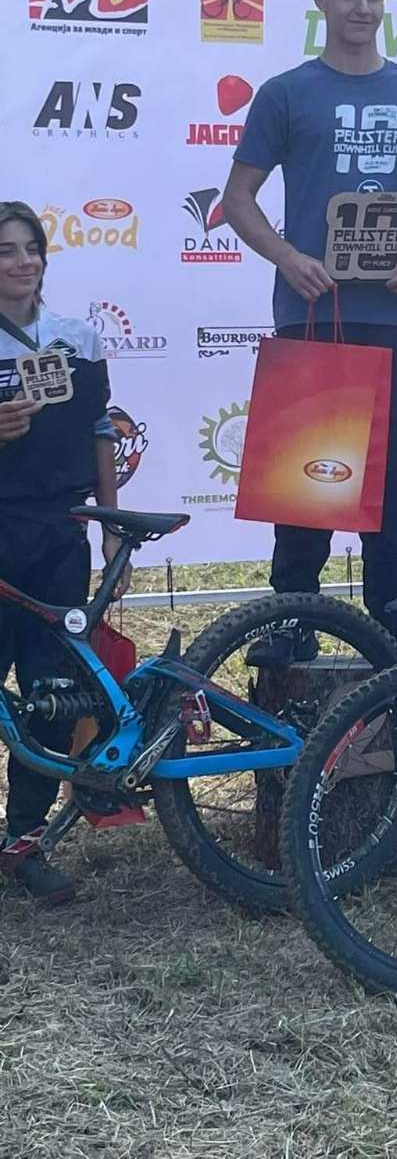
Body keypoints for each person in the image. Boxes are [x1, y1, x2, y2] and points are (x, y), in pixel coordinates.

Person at [223, 0, 397, 661]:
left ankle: (391, 614)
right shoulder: (286, 93)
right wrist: (287, 257)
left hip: (395, 316)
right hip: (312, 312)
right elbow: (238, 199)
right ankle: (292, 617)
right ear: (321, 0)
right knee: (305, 471)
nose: (363, 8)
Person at [0, 200, 129, 906]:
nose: (22, 262)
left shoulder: (77, 339)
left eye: (32, 248)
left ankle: (23, 841)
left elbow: (100, 430)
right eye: (6, 251)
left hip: (59, 534)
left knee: (52, 695)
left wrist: (108, 525)